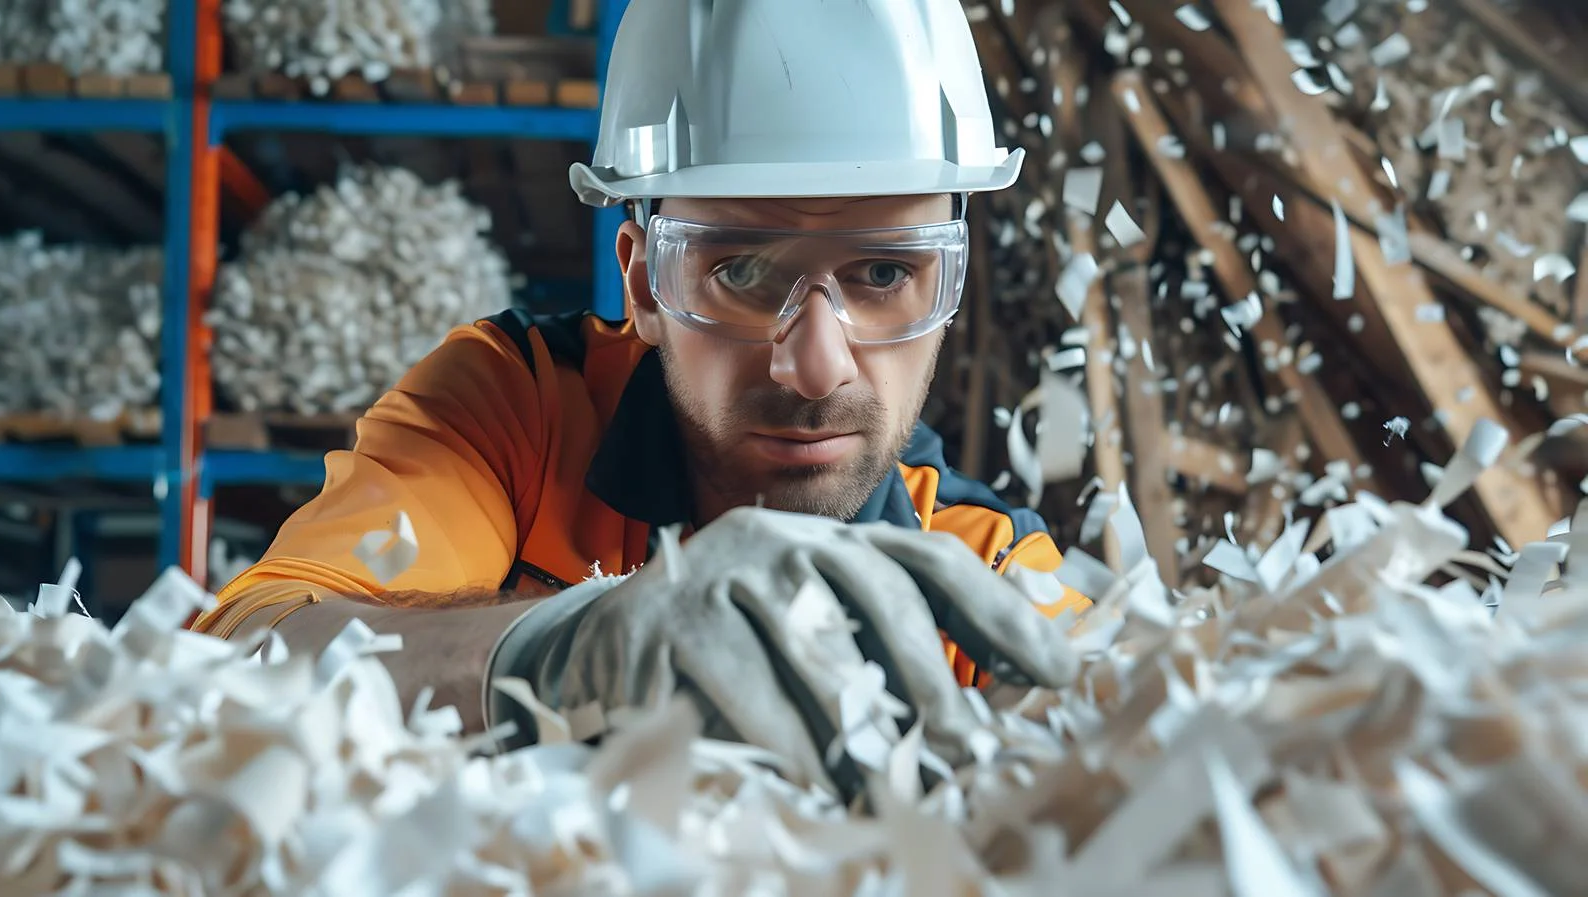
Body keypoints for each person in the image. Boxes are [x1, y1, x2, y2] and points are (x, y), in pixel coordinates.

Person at [192, 0, 1089, 792]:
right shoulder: (517, 408)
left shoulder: (989, 577)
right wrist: (562, 651)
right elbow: (243, 655)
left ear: (948, 293)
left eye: (886, 271)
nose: (816, 368)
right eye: (740, 270)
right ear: (646, 285)